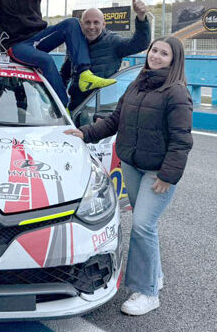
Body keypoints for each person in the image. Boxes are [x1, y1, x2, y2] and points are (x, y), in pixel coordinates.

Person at [65, 36, 193, 316]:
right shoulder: (138, 83)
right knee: (147, 227)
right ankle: (155, 276)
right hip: (132, 166)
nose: (156, 56)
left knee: (143, 226)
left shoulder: (177, 93)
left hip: (157, 173)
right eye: (154, 50)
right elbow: (114, 120)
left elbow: (181, 140)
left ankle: (147, 293)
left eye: (164, 54)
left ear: (174, 60)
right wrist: (84, 133)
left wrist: (168, 176)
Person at [61, 0, 151, 110]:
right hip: (77, 106)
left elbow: (140, 43)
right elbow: (65, 75)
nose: (91, 27)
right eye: (87, 22)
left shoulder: (113, 41)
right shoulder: (75, 44)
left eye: (96, 22)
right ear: (81, 24)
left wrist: (141, 18)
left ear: (104, 24)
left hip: (103, 108)